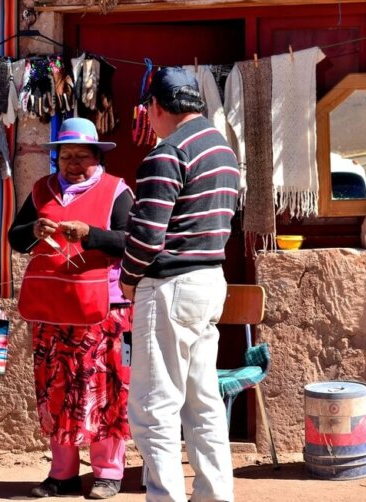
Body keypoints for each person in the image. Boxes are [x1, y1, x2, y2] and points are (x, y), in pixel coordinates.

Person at [118, 67, 240, 502]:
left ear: (155, 107)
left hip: (170, 287)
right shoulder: (223, 151)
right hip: (210, 281)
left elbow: (147, 235)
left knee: (155, 407)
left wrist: (129, 280)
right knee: (203, 402)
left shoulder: (166, 154)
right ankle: (214, 496)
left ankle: (165, 497)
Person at [9, 117, 134, 500]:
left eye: (81, 156)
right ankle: (61, 473)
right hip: (52, 311)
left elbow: (132, 240)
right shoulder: (41, 190)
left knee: (104, 391)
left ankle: (108, 474)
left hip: (104, 309)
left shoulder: (117, 191)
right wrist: (33, 231)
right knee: (56, 388)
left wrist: (91, 235)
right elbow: (16, 237)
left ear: (98, 158)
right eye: (65, 156)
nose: (73, 164)